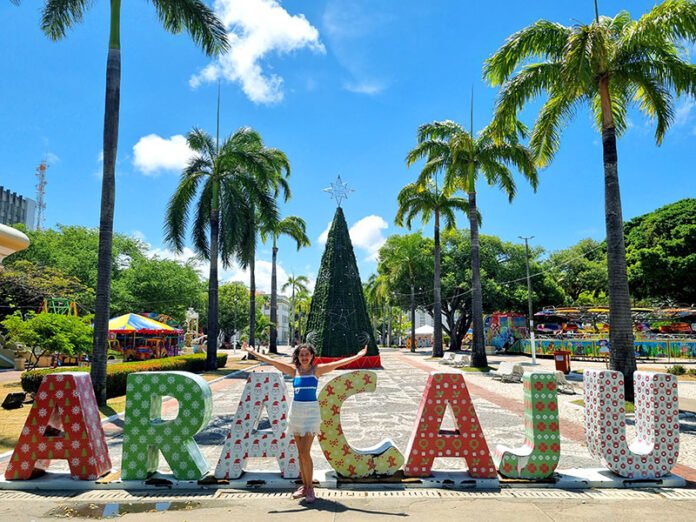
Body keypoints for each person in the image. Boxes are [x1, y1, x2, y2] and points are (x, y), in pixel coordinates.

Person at [243, 342, 368, 503]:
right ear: (297, 357)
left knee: (305, 452)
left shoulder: (317, 370)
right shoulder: (293, 371)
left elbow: (339, 363)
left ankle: (310, 488)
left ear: (311, 356)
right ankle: (304, 486)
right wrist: (252, 352)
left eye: (307, 355)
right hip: (296, 413)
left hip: (311, 414)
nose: (304, 358)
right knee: (300, 453)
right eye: (301, 355)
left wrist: (358, 356)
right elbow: (271, 361)